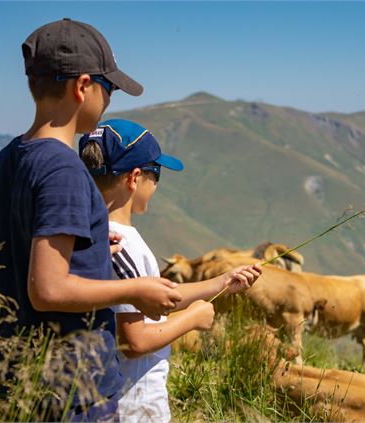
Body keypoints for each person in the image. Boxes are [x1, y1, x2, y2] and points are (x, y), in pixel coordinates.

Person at [0, 19, 183, 421]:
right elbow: (48, 291)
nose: (108, 101)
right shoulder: (64, 170)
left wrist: (82, 250)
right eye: (109, 89)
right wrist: (137, 289)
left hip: (21, 383)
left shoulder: (0, 164)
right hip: (72, 391)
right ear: (82, 86)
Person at [78, 119, 262, 422]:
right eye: (156, 174)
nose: (157, 185)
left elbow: (156, 296)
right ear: (135, 178)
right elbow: (132, 340)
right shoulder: (119, 245)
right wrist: (193, 318)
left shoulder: (93, 235)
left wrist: (223, 282)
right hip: (134, 401)